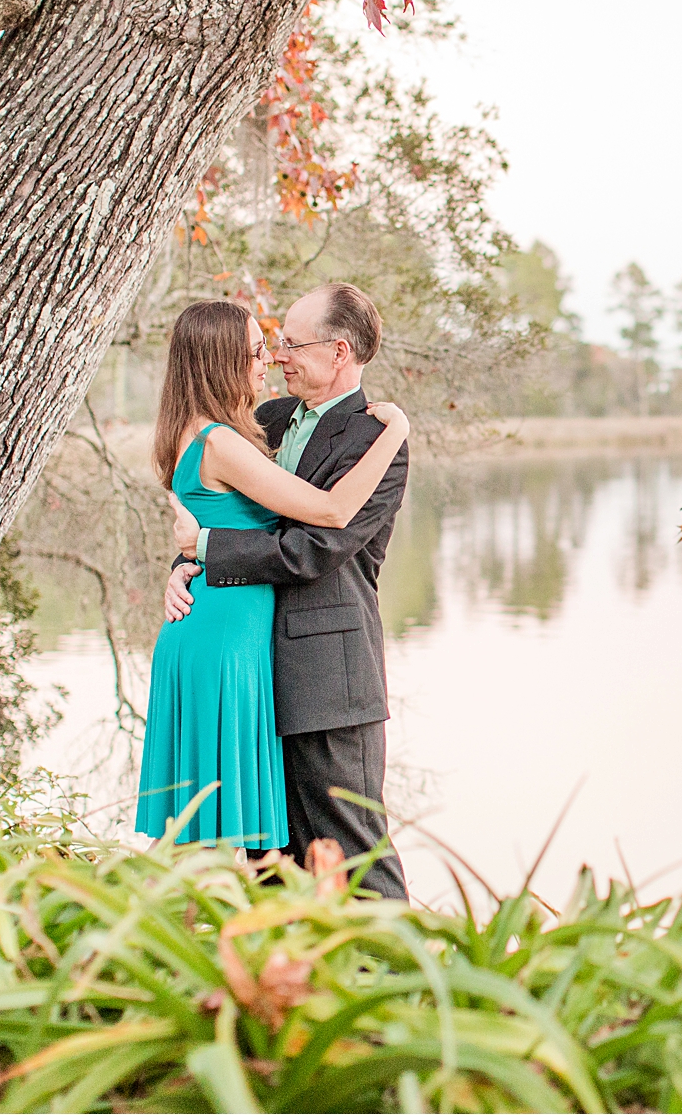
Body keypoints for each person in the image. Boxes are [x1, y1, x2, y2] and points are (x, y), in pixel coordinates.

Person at [162, 281, 411, 901]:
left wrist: (207, 552)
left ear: (339, 351)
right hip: (250, 672)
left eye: (292, 344)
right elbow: (222, 508)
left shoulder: (376, 441)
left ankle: (406, 987)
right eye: (273, 345)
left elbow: (316, 549)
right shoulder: (263, 422)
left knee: (351, 851)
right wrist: (183, 565)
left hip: (328, 678)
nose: (277, 357)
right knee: (278, 864)